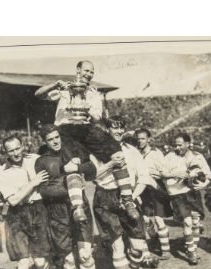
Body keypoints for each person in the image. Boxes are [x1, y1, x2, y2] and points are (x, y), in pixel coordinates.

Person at [35, 60, 140, 223]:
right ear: (78, 70)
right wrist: (54, 85)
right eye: (86, 70)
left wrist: (85, 107)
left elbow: (97, 118)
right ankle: (77, 207)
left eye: (92, 71)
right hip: (66, 129)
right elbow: (38, 94)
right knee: (72, 165)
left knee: (117, 153)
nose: (89, 74)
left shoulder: (93, 93)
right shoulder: (64, 88)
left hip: (86, 129)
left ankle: (127, 199)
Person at [90, 116, 154, 269]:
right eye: (113, 128)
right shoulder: (97, 150)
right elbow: (92, 176)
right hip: (105, 197)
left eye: (120, 128)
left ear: (124, 130)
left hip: (129, 197)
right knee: (117, 246)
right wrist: (110, 164)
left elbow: (144, 177)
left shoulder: (132, 151)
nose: (117, 132)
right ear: (107, 130)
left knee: (138, 247)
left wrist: (131, 198)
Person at [35, 125, 97, 269]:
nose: (56, 141)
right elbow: (44, 190)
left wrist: (77, 166)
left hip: (80, 207)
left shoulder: (72, 150)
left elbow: (92, 171)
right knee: (68, 258)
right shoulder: (41, 161)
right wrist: (65, 174)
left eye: (57, 137)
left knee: (86, 254)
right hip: (58, 213)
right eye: (51, 139)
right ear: (45, 142)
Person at [0, 135, 51, 269]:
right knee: (23, 262)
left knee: (41, 262)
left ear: (22, 146)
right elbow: (14, 199)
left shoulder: (35, 159)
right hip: (17, 216)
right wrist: (33, 183)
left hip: (38, 211)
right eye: (10, 150)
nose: (15, 153)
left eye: (17, 148)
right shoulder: (2, 172)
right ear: (5, 152)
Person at [159, 133, 211, 265]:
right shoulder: (169, 157)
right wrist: (175, 173)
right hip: (177, 194)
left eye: (180, 144)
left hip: (192, 193)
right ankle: (191, 251)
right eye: (175, 145)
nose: (177, 147)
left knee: (195, 222)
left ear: (188, 144)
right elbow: (162, 173)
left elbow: (207, 174)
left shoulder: (197, 156)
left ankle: (191, 247)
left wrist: (203, 184)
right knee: (187, 222)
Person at [135, 128, 172, 261]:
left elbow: (165, 171)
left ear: (149, 139)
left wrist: (156, 174)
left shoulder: (156, 153)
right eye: (138, 139)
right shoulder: (136, 153)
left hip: (156, 188)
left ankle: (166, 250)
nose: (140, 141)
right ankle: (155, 238)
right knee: (145, 219)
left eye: (143, 138)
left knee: (158, 219)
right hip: (143, 190)